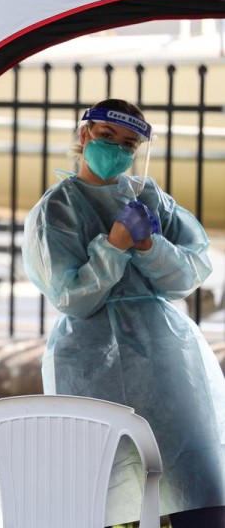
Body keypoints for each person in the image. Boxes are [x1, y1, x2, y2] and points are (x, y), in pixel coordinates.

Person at [23, 99, 225, 528]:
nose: (117, 149)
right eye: (107, 137)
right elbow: (73, 298)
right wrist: (113, 246)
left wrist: (151, 246)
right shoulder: (56, 209)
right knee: (103, 492)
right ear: (84, 137)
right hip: (89, 363)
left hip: (166, 362)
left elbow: (190, 272)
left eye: (128, 143)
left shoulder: (149, 198)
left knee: (195, 487)